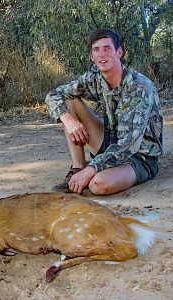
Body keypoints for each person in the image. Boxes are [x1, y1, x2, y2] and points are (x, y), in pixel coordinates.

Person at [45, 29, 164, 195]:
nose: (102, 54)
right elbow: (53, 94)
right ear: (92, 57)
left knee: (98, 185)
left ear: (119, 52)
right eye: (96, 49)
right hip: (108, 144)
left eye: (107, 48)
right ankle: (78, 167)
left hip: (138, 156)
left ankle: (91, 171)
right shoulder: (94, 79)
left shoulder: (139, 87)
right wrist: (68, 120)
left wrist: (93, 168)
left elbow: (128, 144)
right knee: (69, 99)